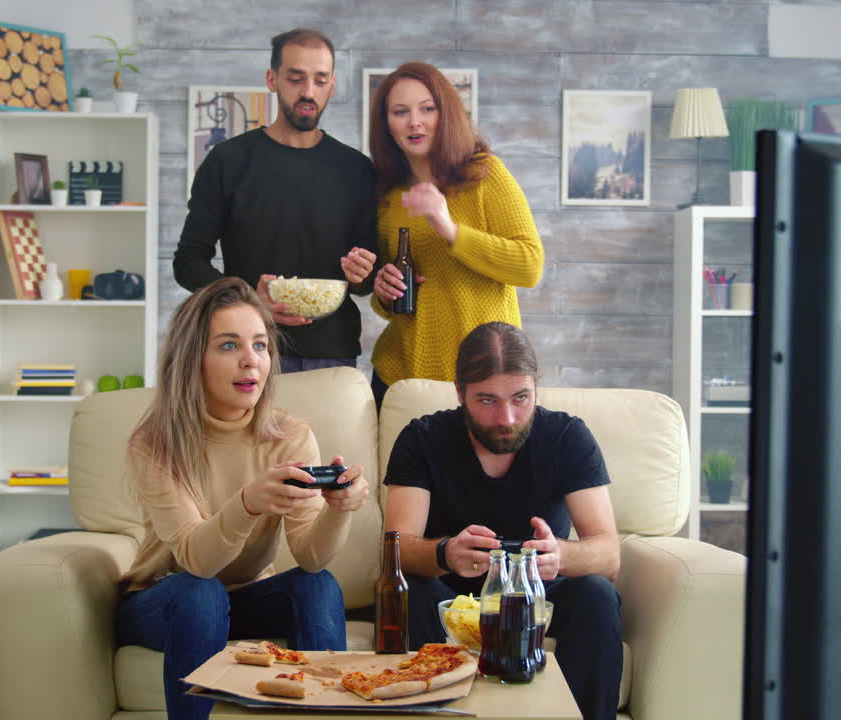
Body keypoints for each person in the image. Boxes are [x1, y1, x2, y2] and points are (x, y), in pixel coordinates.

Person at [115, 276, 371, 720]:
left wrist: (338, 510)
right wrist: (249, 502)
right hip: (164, 601)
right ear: (193, 359)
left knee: (317, 585)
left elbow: (311, 558)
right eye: (229, 346)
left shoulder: (290, 436)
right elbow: (196, 561)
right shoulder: (155, 443)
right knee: (200, 593)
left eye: (260, 346)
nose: (250, 361)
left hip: (245, 599)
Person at [382, 321, 623, 720]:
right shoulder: (422, 438)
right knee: (414, 592)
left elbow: (608, 554)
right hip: (450, 595)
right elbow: (397, 545)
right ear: (459, 392)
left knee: (596, 594)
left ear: (535, 388)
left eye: (521, 397)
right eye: (487, 400)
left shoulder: (567, 436)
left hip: (538, 597)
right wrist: (444, 552)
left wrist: (558, 555)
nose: (508, 418)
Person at [173, 28, 378, 372]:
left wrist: (361, 274)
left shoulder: (357, 169)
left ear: (332, 85)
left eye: (320, 79)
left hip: (332, 353)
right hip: (246, 349)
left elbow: (365, 283)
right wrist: (247, 299)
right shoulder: (228, 161)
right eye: (296, 78)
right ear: (273, 79)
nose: (308, 91)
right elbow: (188, 261)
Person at [367, 61, 544, 407]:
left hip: (483, 377)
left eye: (427, 109)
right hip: (401, 376)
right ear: (387, 125)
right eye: (400, 112)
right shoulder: (389, 198)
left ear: (446, 113)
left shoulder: (485, 174)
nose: (414, 122)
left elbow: (529, 265)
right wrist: (383, 292)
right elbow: (395, 303)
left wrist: (449, 229)